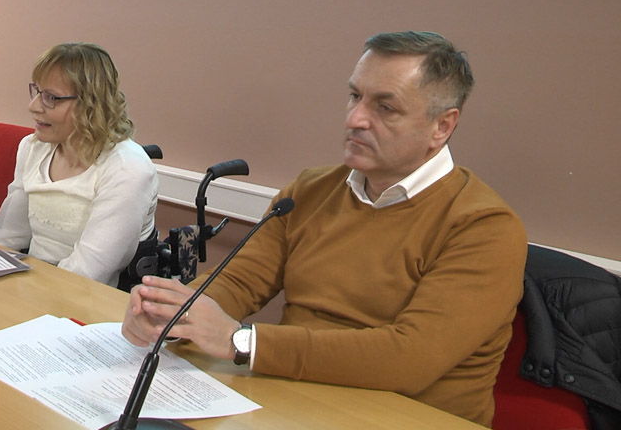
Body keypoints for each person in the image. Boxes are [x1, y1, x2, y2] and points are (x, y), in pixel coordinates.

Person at [121, 31, 527, 427]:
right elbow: (240, 281)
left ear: (442, 126)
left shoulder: (484, 227)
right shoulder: (312, 190)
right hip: (294, 401)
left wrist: (239, 341)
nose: (355, 119)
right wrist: (173, 316)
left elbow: (410, 357)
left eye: (386, 107)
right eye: (355, 96)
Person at [0, 42, 158, 286]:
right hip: (35, 286)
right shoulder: (32, 147)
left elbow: (88, 272)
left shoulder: (127, 168)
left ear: (91, 105)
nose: (33, 106)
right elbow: (10, 236)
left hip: (87, 297)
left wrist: (25, 292)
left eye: (51, 98)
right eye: (37, 92)